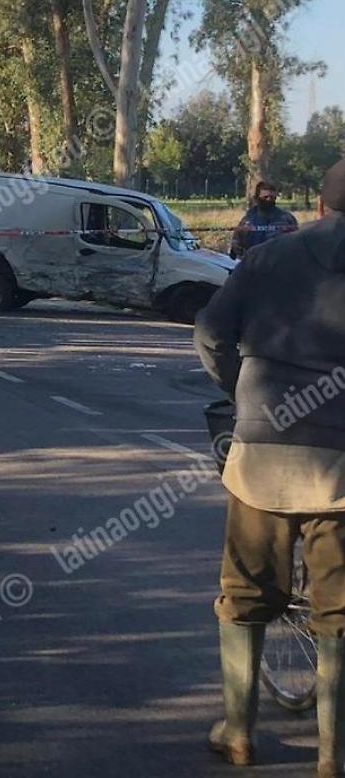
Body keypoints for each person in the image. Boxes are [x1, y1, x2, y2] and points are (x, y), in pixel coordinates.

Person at [195, 158, 345, 774]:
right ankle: (332, 755)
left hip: (261, 454)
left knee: (244, 594)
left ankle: (238, 731)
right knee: (338, 610)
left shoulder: (268, 257)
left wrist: (243, 393)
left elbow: (209, 333)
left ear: (317, 205)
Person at [230, 181, 299, 260]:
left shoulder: (286, 219)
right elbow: (236, 240)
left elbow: (296, 244)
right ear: (257, 198)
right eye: (265, 197)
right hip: (252, 263)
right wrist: (235, 247)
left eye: (272, 198)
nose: (269, 200)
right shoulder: (248, 219)